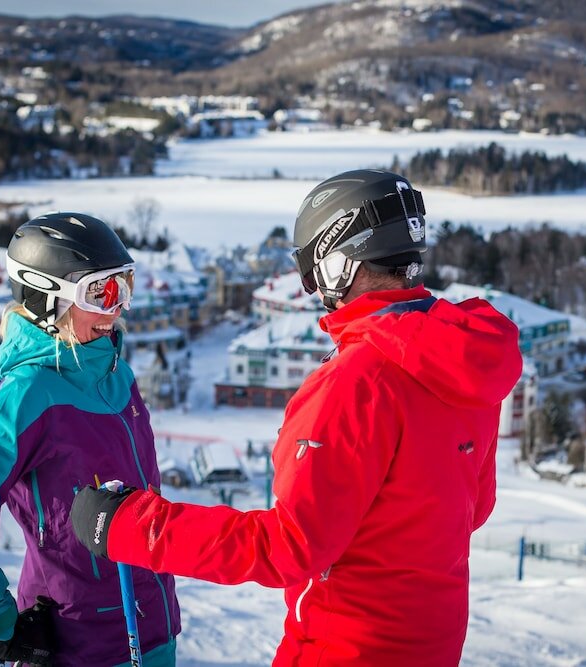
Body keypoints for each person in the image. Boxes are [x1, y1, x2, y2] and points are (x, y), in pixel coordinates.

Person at [70, 170, 522, 666]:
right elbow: (474, 507)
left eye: (311, 272)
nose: (314, 289)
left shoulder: (357, 382)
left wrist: (130, 526)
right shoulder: (464, 356)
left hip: (343, 649)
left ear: (337, 263)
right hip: (432, 645)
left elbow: (286, 547)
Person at [0, 212, 181, 666]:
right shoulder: (27, 395)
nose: (118, 307)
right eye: (101, 292)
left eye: (124, 286)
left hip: (154, 628)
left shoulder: (117, 375)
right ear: (49, 298)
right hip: (78, 643)